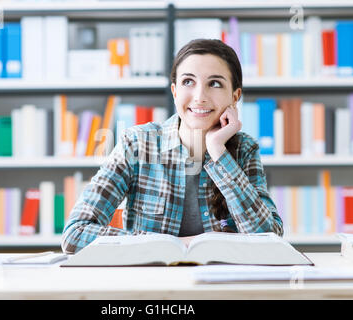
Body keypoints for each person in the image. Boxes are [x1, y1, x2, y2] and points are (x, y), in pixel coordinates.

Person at [61, 39, 283, 254]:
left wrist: (218, 151)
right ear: (175, 91)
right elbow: (75, 234)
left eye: (214, 83)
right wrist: (168, 245)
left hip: (220, 287)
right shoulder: (137, 144)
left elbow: (268, 240)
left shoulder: (244, 149)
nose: (199, 97)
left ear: (235, 97)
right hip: (152, 285)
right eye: (188, 82)